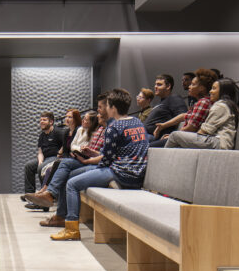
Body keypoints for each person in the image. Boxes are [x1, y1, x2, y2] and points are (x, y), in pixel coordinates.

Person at [51, 88, 148, 241]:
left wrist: (90, 165)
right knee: (76, 174)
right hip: (137, 174)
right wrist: (94, 157)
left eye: (107, 106)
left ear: (113, 108)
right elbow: (118, 152)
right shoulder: (137, 122)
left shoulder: (114, 127)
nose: (105, 110)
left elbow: (107, 160)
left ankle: (71, 230)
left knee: (71, 184)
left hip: (120, 174)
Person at [166, 78, 239, 150]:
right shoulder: (229, 105)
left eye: (214, 88)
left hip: (218, 143)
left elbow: (204, 131)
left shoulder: (220, 106)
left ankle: (161, 160)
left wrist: (190, 140)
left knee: (174, 136)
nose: (210, 91)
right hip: (219, 142)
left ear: (223, 91)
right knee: (180, 144)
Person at [151, 68, 218, 145]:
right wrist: (163, 125)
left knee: (150, 147)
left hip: (191, 138)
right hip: (186, 136)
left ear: (201, 88)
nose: (189, 86)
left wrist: (172, 135)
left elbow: (191, 128)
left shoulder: (203, 102)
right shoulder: (201, 102)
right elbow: (184, 115)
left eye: (193, 84)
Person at [23, 111, 64, 205]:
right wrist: (40, 160)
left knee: (41, 168)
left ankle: (43, 197)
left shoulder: (58, 132)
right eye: (41, 120)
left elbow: (66, 144)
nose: (41, 122)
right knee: (28, 166)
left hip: (55, 158)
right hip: (45, 158)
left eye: (44, 120)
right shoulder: (42, 135)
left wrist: (59, 153)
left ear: (51, 122)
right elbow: (40, 151)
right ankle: (30, 194)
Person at [143, 74, 188, 142]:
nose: (155, 87)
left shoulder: (174, 98)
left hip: (153, 136)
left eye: (159, 85)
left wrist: (163, 126)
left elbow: (184, 115)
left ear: (168, 86)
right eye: (155, 84)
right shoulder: (160, 103)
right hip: (144, 134)